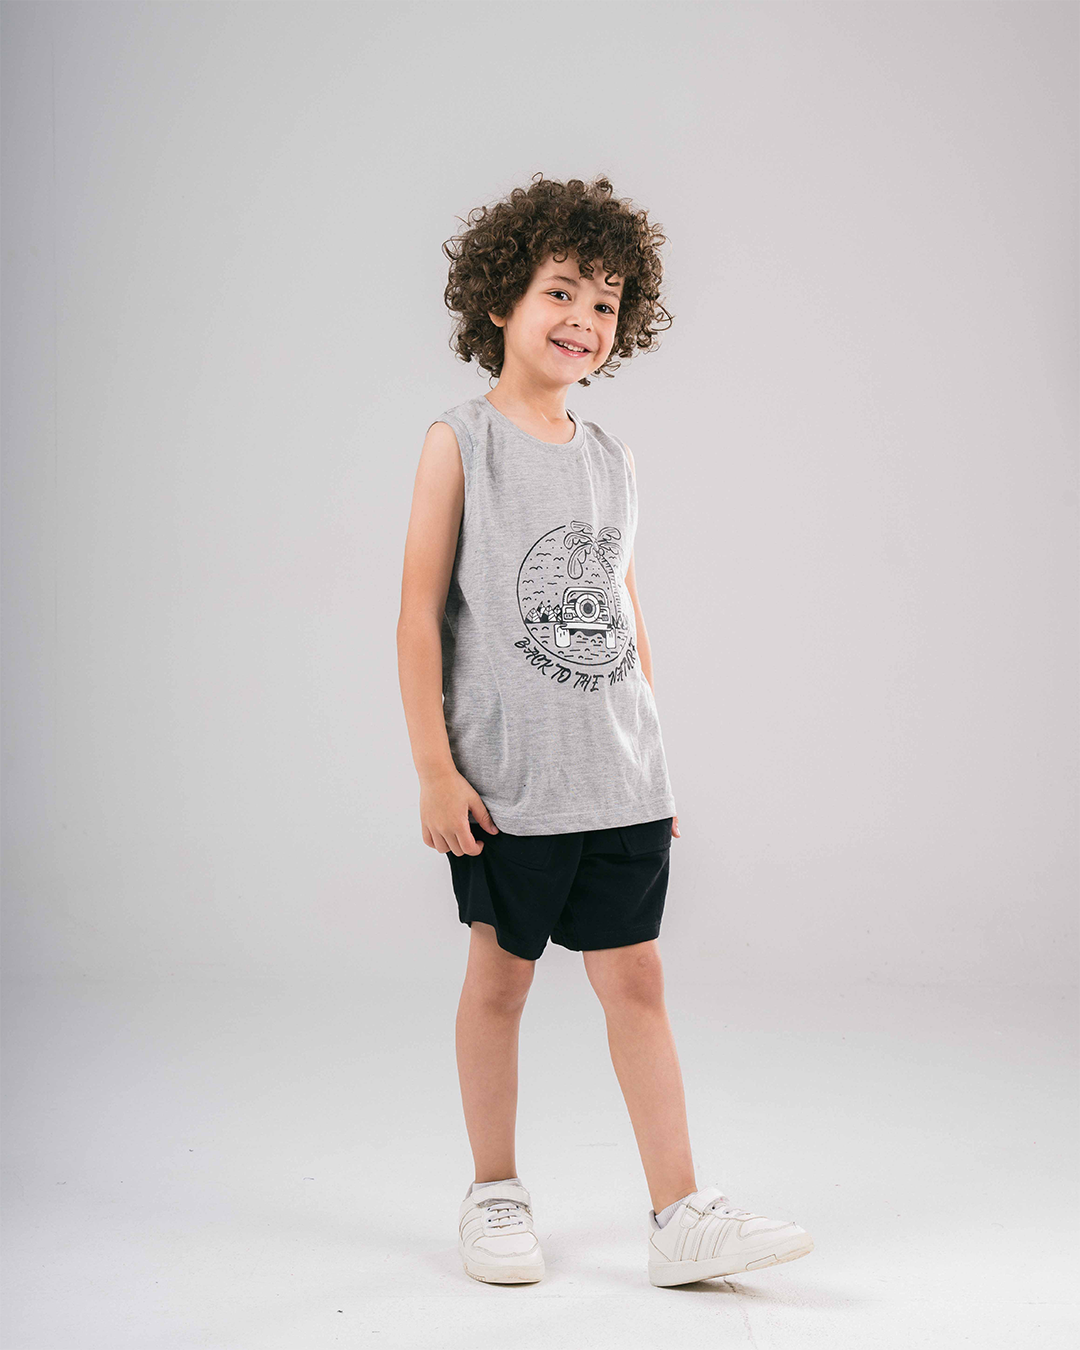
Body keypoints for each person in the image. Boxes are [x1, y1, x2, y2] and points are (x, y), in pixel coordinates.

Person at [396, 173, 813, 1288]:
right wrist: (434, 768)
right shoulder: (459, 442)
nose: (583, 318)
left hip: (619, 782)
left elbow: (625, 614)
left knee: (638, 985)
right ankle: (494, 1192)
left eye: (606, 302)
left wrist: (653, 765)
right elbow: (417, 615)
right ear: (501, 298)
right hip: (511, 786)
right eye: (561, 291)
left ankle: (680, 1214)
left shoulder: (613, 459)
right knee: (501, 984)